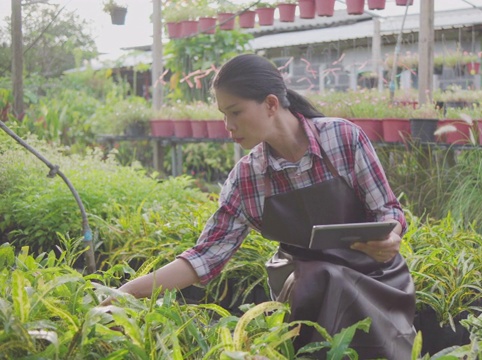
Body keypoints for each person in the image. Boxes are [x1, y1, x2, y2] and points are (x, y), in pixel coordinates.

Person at [105, 53, 416, 359]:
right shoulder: (248, 177)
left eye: (235, 112)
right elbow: (204, 257)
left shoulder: (343, 139)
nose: (228, 125)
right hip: (306, 296)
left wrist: (391, 236)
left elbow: (387, 210)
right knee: (319, 275)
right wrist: (127, 292)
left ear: (270, 104)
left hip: (372, 283)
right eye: (223, 114)